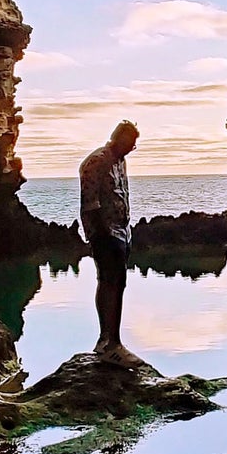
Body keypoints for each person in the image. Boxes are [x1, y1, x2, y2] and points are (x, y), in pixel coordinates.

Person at [79, 120, 139, 356]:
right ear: (120, 139)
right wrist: (102, 235)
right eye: (131, 143)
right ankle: (107, 340)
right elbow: (90, 203)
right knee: (107, 282)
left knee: (119, 283)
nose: (132, 148)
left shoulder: (120, 161)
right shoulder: (96, 161)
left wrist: (126, 230)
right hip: (105, 233)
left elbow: (121, 195)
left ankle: (114, 340)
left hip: (122, 230)